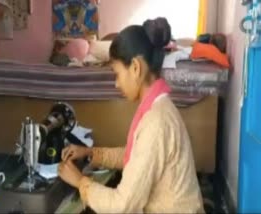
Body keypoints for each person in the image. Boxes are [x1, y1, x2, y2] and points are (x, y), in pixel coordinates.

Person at [58, 17, 204, 213]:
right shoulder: (158, 106)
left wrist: (80, 182)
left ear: (135, 67)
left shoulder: (157, 122)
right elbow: (137, 156)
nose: (116, 84)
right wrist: (91, 153)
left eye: (117, 73)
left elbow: (123, 205)